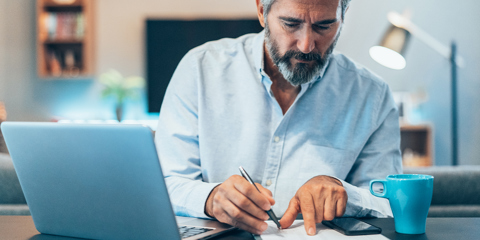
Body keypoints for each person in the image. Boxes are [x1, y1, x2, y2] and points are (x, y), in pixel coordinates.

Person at [155, 0, 402, 236]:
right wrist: (210, 198)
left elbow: (389, 202)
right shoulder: (199, 70)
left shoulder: (373, 96)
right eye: (291, 24)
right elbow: (164, 184)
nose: (306, 45)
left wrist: (346, 194)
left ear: (342, 17)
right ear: (262, 11)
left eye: (324, 26)